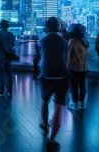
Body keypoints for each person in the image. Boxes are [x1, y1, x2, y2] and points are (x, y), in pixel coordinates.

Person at [37, 17, 71, 151]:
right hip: (62, 76)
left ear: (47, 27)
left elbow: (42, 57)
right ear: (58, 27)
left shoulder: (42, 40)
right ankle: (51, 141)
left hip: (46, 75)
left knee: (44, 101)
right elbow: (67, 62)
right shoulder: (63, 42)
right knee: (58, 107)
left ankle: (44, 124)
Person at [67, 24, 89, 110]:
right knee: (82, 85)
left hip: (74, 66)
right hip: (84, 67)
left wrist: (66, 67)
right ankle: (82, 104)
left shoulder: (72, 41)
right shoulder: (86, 41)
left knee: (74, 85)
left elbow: (68, 55)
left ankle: (75, 103)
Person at [0, 20, 15, 97]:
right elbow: (13, 45)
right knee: (9, 74)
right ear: (8, 26)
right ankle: (9, 90)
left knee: (0, 74)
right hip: (8, 57)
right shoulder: (11, 34)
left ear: (0, 25)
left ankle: (0, 89)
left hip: (0, 57)